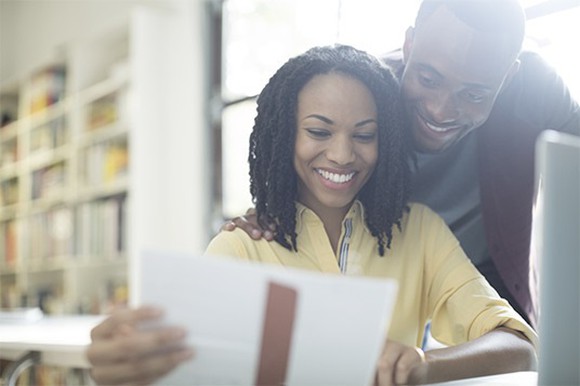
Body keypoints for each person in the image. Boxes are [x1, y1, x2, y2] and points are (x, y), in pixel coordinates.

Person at [87, 44, 537, 386]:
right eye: (319, 131)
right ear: (284, 136)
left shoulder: (419, 231)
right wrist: (131, 366)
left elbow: (518, 347)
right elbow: (194, 368)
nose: (342, 155)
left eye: (365, 135)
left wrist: (424, 365)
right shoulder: (242, 246)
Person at [225, 0, 580, 328]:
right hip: (389, 273)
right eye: (428, 79)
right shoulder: (366, 96)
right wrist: (278, 209)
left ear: (508, 77)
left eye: (474, 95)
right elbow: (310, 159)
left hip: (490, 275)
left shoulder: (538, 90)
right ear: (409, 45)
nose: (440, 111)